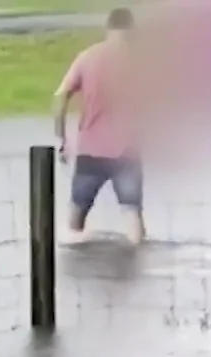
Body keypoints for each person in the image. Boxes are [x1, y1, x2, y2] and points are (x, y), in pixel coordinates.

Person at [55, 7, 145, 244]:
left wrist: (62, 139)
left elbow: (60, 95)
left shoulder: (87, 57)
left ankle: (71, 271)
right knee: (132, 217)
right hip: (127, 150)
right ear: (131, 31)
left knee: (74, 223)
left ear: (108, 29)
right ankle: (139, 269)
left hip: (90, 150)